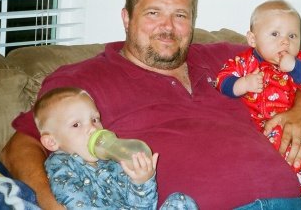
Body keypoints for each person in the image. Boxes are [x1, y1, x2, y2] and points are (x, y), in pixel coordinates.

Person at [1, 0, 301, 210]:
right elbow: (21, 145)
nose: (168, 27)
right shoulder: (83, 80)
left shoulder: (227, 58)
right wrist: (53, 205)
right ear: (127, 18)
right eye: (154, 13)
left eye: (180, 15)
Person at [216, 0, 301, 200]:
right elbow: (222, 81)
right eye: (275, 34)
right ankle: (292, 173)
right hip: (260, 126)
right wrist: (243, 84)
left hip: (291, 118)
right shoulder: (243, 62)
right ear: (253, 39)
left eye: (292, 36)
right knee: (275, 135)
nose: (285, 42)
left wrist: (296, 68)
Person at [33, 86, 198, 209]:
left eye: (95, 120)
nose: (92, 128)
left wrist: (142, 181)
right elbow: (73, 201)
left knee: (180, 201)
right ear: (52, 142)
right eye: (76, 124)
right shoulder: (60, 164)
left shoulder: (113, 161)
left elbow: (143, 207)